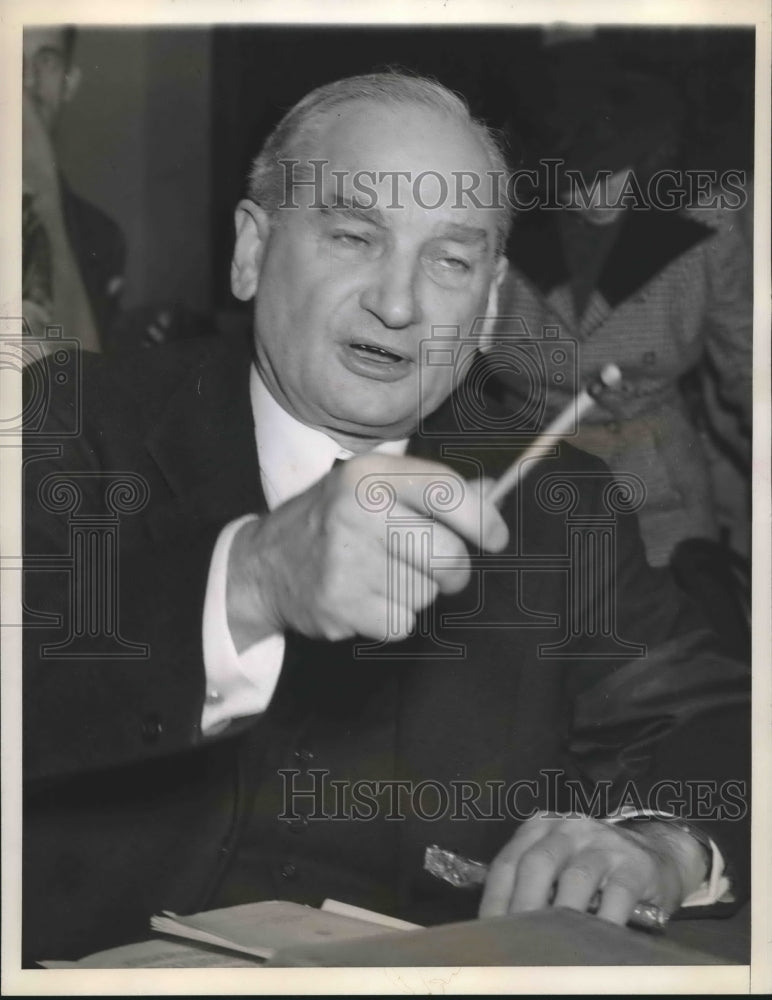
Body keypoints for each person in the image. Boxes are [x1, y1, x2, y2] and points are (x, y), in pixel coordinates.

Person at [22, 72, 749, 965]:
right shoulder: (67, 422)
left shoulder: (565, 506)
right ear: (251, 251)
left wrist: (655, 843)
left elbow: (720, 726)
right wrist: (250, 579)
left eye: (450, 260)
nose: (398, 305)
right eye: (354, 235)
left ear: (486, 312)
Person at [496, 58, 752, 572]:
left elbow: (748, 361)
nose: (589, 191)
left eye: (607, 171)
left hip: (663, 490)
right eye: (572, 176)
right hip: (531, 481)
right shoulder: (496, 230)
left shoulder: (704, 227)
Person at [22, 26, 125, 354]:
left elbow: (86, 381)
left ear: (69, 83)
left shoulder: (102, 239)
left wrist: (43, 189)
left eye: (47, 60)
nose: (28, 81)